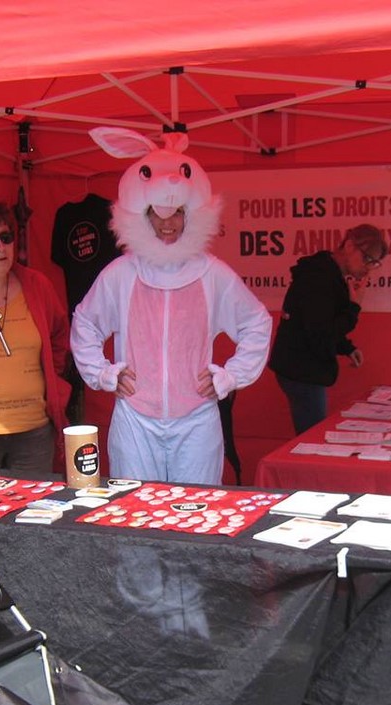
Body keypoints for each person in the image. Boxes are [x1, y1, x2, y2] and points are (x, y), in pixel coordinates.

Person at [71, 127, 271, 484]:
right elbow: (85, 323)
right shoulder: (121, 274)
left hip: (196, 418)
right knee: (134, 512)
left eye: (177, 213)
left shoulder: (212, 274)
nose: (168, 224)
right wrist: (104, 373)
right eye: (157, 213)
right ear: (142, 215)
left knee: (195, 513)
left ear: (191, 213)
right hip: (135, 418)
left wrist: (231, 375)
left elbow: (256, 322)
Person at [0, 197, 71, 474]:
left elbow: (60, 336)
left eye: (6, 238)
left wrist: (51, 380)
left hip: (33, 429)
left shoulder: (37, 284)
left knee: (36, 514)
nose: (1, 247)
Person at [268, 224, 388, 434]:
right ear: (350, 245)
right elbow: (320, 333)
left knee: (312, 435)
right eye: (367, 258)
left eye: (374, 263)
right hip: (302, 369)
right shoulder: (319, 277)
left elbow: (323, 322)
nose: (368, 267)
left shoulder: (329, 273)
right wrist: (354, 308)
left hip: (302, 365)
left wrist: (346, 347)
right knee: (312, 440)